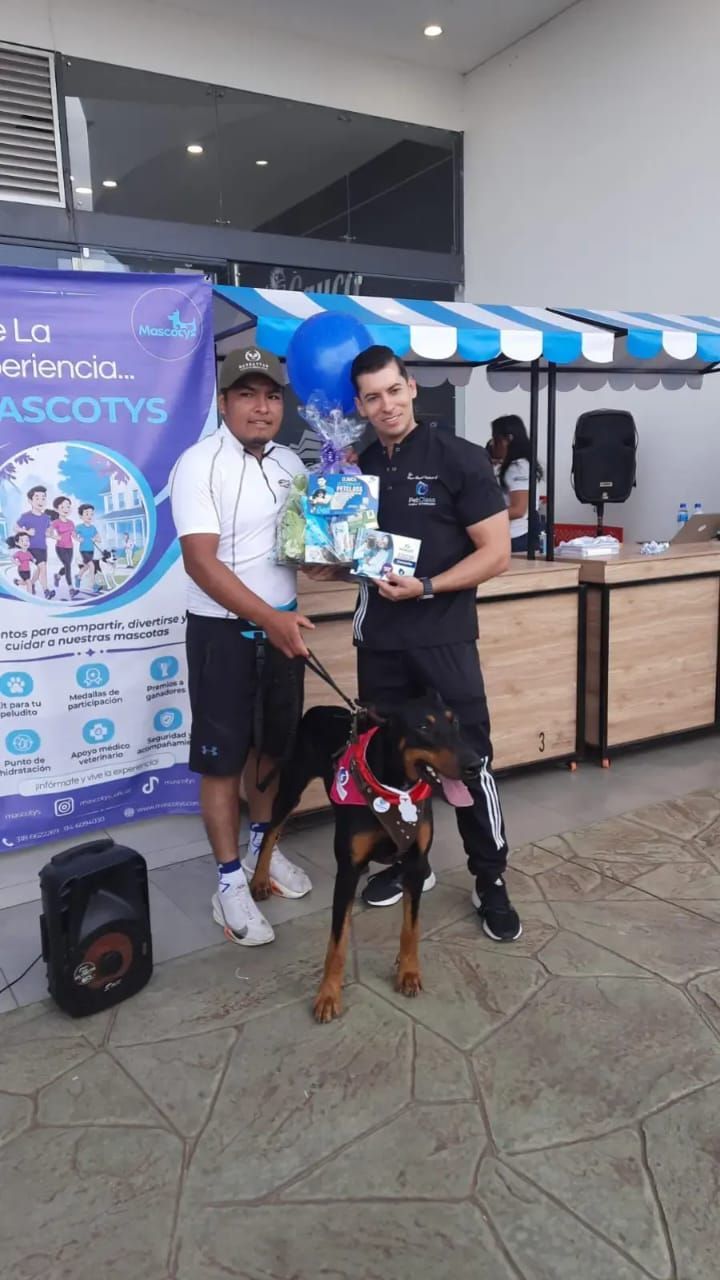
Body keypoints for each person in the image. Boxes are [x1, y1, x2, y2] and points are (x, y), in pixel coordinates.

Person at [349, 345, 521, 941]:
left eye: (394, 390)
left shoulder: (460, 458)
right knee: (390, 767)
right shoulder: (357, 466)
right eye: (373, 397)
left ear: (412, 387)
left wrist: (426, 587)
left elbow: (496, 554)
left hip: (444, 640)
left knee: (468, 760)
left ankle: (490, 878)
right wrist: (324, 562)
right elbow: (352, 554)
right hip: (380, 645)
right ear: (361, 405)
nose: (386, 405)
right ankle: (407, 863)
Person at [170, 345, 315, 947]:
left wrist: (339, 559)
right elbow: (201, 563)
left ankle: (263, 853)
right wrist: (270, 620)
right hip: (222, 636)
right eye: (248, 395)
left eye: (272, 395)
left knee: (272, 752)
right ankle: (228, 882)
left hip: (283, 629)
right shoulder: (198, 463)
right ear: (224, 402)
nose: (262, 407)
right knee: (222, 761)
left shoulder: (292, 464)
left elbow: (301, 552)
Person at [490, 414, 543, 553]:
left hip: (517, 537)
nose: (493, 445)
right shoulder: (514, 466)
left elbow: (518, 509)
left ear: (507, 440)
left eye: (495, 440)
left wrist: (484, 515)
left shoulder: (518, 468)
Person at [15, 485, 55, 599]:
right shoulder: (26, 516)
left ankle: (28, 584)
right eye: (37, 498)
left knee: (39, 569)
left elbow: (48, 533)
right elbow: (15, 527)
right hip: (31, 547)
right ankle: (46, 591)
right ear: (30, 501)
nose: (40, 501)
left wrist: (51, 529)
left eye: (43, 498)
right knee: (42, 567)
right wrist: (26, 531)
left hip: (43, 547)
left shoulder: (46, 518)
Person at [48, 496, 79, 600]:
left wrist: (79, 538)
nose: (66, 509)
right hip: (60, 547)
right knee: (68, 566)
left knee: (67, 565)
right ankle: (71, 589)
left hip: (70, 547)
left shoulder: (71, 522)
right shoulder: (56, 522)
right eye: (63, 507)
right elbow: (48, 533)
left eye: (68, 507)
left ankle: (57, 576)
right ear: (57, 509)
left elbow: (74, 535)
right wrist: (56, 536)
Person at [75, 503, 101, 593]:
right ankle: (94, 585)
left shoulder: (93, 528)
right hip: (83, 550)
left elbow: (99, 538)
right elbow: (73, 534)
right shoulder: (79, 527)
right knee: (91, 566)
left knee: (86, 566)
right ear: (81, 516)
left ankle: (78, 577)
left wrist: (96, 539)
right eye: (86, 513)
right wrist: (78, 539)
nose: (89, 516)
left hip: (91, 550)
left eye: (91, 514)